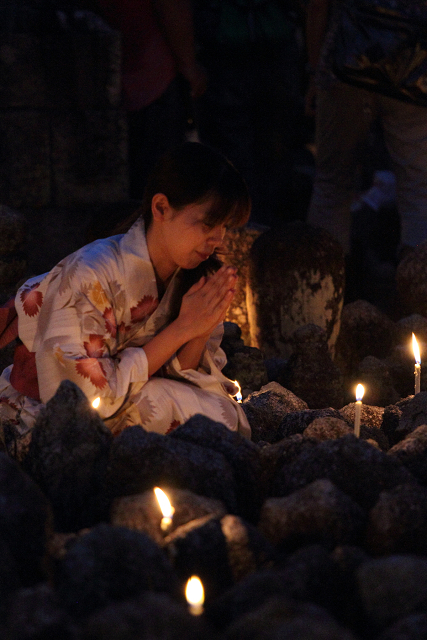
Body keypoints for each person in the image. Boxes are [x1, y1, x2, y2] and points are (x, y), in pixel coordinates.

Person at [0, 142, 251, 447]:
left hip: (131, 395)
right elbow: (79, 396)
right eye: (208, 224)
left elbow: (185, 375)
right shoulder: (91, 272)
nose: (217, 239)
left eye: (225, 226)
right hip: (50, 414)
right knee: (176, 409)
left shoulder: (194, 273)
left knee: (222, 412)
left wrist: (200, 328)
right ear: (161, 208)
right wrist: (182, 328)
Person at [305, 0, 427, 257]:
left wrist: (314, 71)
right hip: (412, 71)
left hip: (344, 64)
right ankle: (419, 288)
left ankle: (325, 284)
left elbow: (318, 6)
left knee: (332, 185)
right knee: (418, 189)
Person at [95, 0, 207, 200]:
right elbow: (172, 8)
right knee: (159, 177)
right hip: (154, 77)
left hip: (125, 75)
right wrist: (189, 66)